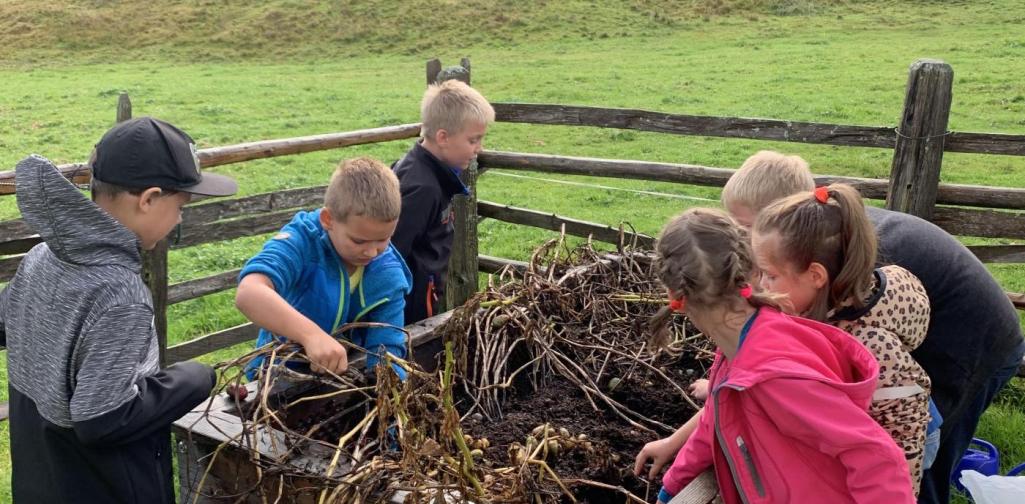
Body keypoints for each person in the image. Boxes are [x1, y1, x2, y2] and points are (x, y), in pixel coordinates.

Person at [637, 150, 1025, 503]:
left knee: (926, 465)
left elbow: (881, 446)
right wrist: (680, 444)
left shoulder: (850, 282)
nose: (745, 247)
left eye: (746, 232)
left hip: (975, 340)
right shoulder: (807, 268)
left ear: (788, 223)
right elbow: (741, 382)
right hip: (909, 351)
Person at [1, 117, 237, 502]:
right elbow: (103, 419)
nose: (179, 218)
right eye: (181, 206)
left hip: (41, 478)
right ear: (148, 199)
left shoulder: (41, 257)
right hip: (105, 487)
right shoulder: (119, 294)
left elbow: (5, 323)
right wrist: (194, 378)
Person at [650, 208, 913, 504]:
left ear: (676, 298)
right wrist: (672, 486)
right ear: (750, 271)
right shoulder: (741, 347)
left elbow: (877, 456)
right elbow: (717, 417)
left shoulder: (775, 374)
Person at [753, 183, 932, 488]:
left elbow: (904, 433)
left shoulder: (869, 346)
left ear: (815, 276)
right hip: (859, 443)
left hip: (894, 462)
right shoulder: (828, 304)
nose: (761, 285)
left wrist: (895, 494)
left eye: (770, 276)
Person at [236, 157, 412, 380]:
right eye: (358, 241)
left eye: (383, 239)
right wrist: (311, 336)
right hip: (277, 378)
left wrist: (391, 388)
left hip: (342, 382)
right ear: (328, 219)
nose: (371, 252)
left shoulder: (387, 273)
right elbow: (249, 292)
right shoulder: (302, 243)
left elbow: (387, 347)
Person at [392, 79, 494, 323]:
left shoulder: (433, 174)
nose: (479, 148)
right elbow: (391, 254)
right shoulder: (421, 188)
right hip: (407, 310)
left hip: (421, 297)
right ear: (443, 137)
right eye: (473, 140)